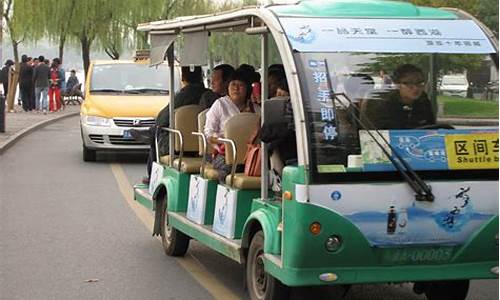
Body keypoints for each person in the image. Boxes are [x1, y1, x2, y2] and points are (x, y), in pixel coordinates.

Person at [137, 66, 209, 184]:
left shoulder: (185, 94)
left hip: (181, 141)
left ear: (183, 77)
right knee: (156, 130)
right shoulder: (206, 92)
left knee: (158, 131)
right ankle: (150, 132)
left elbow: (162, 118)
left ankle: (152, 174)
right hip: (200, 141)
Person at [204, 69, 260, 182]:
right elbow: (208, 133)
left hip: (250, 155)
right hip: (224, 155)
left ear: (247, 89)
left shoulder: (256, 109)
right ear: (228, 87)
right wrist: (223, 141)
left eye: (240, 85)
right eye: (233, 84)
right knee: (230, 168)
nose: (236, 88)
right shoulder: (220, 104)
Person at [360, 64, 435, 129]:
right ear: (397, 84)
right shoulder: (381, 104)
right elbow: (375, 134)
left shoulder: (423, 101)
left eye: (419, 83)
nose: (416, 88)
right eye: (409, 83)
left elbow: (430, 127)